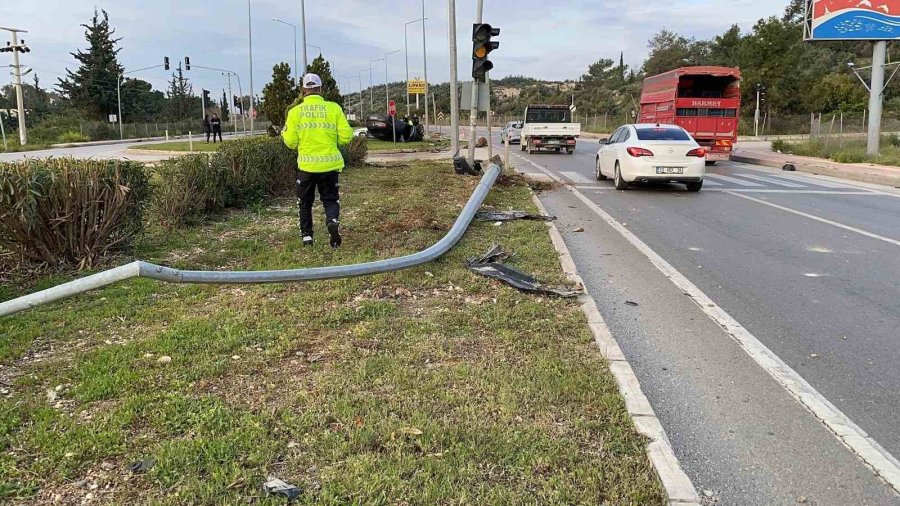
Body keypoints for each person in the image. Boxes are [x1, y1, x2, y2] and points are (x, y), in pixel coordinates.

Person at [282, 73, 353, 248]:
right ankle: (332, 220)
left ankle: (307, 238)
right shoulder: (334, 108)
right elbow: (347, 136)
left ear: (303, 90)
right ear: (321, 89)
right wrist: (331, 141)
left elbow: (291, 143)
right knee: (330, 200)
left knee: (304, 203)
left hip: (306, 166)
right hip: (329, 165)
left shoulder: (294, 112)